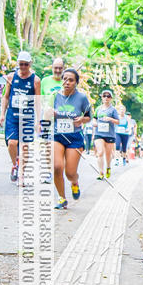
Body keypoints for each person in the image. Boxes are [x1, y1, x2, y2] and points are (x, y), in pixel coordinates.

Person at [50, 68, 92, 209]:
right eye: (65, 79)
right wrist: (51, 113)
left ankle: (75, 183)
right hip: (57, 135)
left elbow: (88, 117)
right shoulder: (55, 96)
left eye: (71, 80)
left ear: (76, 83)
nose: (67, 82)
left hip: (74, 137)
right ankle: (62, 198)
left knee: (70, 172)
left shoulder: (81, 98)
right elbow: (45, 112)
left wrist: (81, 119)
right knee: (57, 167)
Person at [0, 52, 41, 183]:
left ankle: (22, 174)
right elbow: (6, 96)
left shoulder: (35, 80)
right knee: (12, 143)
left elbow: (38, 101)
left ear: (30, 64)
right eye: (21, 64)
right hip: (12, 116)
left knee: (25, 147)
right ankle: (15, 165)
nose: (23, 67)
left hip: (27, 117)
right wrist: (2, 114)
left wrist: (38, 121)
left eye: (26, 64)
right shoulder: (11, 77)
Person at [93, 90, 119, 180]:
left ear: (111, 98)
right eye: (104, 96)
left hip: (110, 135)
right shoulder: (98, 109)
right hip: (99, 133)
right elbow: (94, 118)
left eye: (108, 96)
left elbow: (118, 121)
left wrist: (110, 119)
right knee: (100, 153)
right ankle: (100, 173)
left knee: (108, 155)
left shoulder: (113, 110)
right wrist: (94, 123)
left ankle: (108, 167)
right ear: (102, 97)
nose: (106, 98)